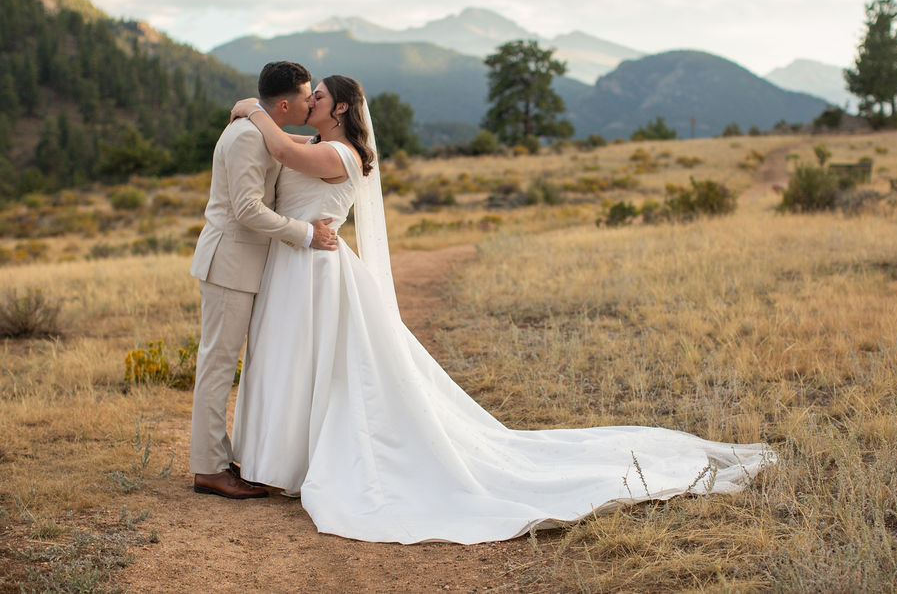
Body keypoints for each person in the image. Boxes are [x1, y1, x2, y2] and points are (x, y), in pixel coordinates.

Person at [229, 76, 775, 544]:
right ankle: (284, 459)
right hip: (298, 261)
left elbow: (281, 152)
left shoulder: (338, 154)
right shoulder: (313, 138)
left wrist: (252, 107)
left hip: (320, 270)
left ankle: (310, 460)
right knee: (295, 361)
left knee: (326, 366)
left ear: (341, 107)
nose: (311, 101)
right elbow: (283, 148)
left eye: (319, 95)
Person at [189, 61, 340, 500]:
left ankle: (219, 459)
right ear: (286, 103)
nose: (313, 101)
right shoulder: (246, 137)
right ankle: (210, 470)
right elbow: (247, 210)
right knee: (217, 364)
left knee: (227, 363)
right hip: (229, 265)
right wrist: (308, 234)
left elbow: (296, 146)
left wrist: (253, 108)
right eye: (308, 96)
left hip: (245, 264)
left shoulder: (260, 129)